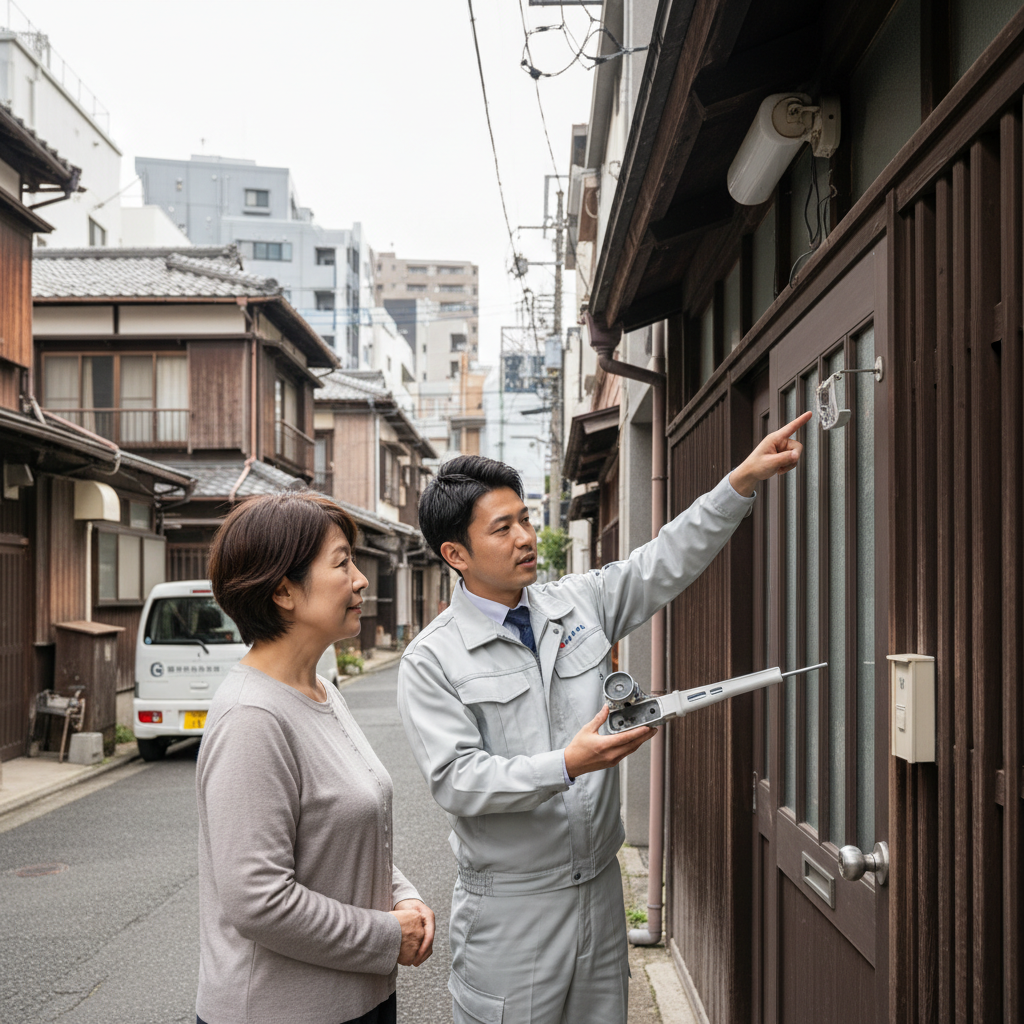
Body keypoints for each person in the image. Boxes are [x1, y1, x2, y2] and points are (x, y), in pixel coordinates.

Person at [397, 412, 811, 1024]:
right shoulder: (432, 658)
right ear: (456, 553)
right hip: (511, 909)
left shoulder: (575, 604)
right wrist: (569, 763)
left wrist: (741, 482)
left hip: (599, 889)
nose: (525, 538)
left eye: (526, 519)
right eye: (502, 527)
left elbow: (662, 562)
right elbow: (459, 780)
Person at [197, 491, 435, 1024]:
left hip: (360, 998)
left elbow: (345, 839)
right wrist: (384, 935)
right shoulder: (252, 717)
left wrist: (403, 897)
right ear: (283, 590)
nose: (360, 579)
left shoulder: (323, 690)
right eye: (342, 562)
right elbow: (258, 899)